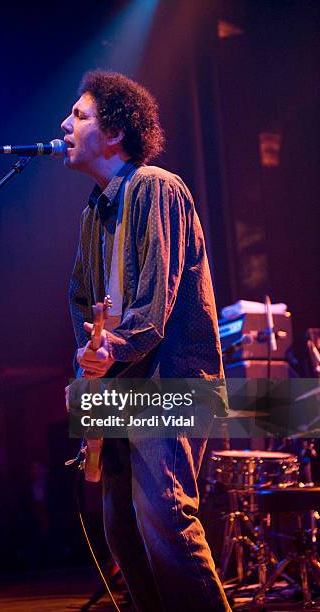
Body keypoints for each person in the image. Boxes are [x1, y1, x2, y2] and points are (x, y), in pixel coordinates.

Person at [62, 70, 230, 611]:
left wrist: (111, 346)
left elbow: (154, 304)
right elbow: (82, 300)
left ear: (114, 132)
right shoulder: (95, 209)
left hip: (171, 378)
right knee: (122, 531)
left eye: (80, 115)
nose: (65, 124)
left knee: (165, 519)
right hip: (122, 384)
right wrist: (88, 353)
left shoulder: (156, 186)